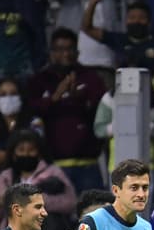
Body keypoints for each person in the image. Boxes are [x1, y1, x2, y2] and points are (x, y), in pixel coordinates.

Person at [26, 29, 108, 194]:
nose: (65, 54)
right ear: (51, 53)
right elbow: (30, 110)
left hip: (88, 164)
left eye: (69, 49)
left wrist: (80, 98)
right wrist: (55, 97)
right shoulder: (39, 80)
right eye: (59, 49)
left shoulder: (90, 78)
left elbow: (102, 109)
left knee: (93, 216)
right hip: (53, 167)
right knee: (56, 218)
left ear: (77, 53)